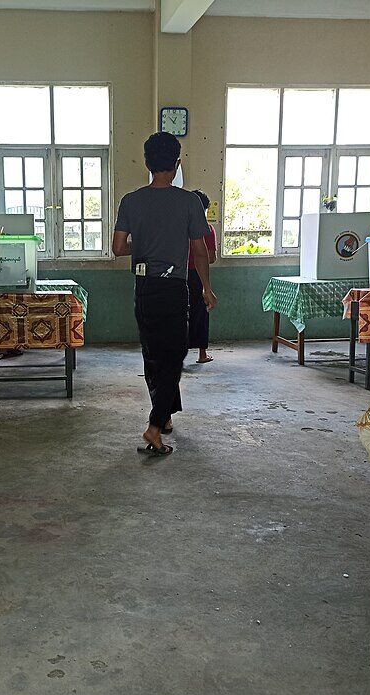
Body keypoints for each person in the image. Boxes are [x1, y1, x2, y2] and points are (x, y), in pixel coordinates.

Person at [112, 132, 217, 456]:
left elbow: (118, 248)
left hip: (144, 288)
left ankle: (166, 416)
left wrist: (143, 244)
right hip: (174, 288)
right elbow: (200, 252)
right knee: (174, 357)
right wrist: (206, 288)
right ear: (176, 164)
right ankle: (155, 426)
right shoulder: (188, 202)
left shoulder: (131, 200)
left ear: (146, 163)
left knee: (152, 354)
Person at [189, 190, 218, 363]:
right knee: (201, 312)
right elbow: (212, 258)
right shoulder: (208, 229)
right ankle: (202, 354)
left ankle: (178, 355)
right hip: (200, 276)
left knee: (180, 314)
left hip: (178, 275)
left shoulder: (180, 228)